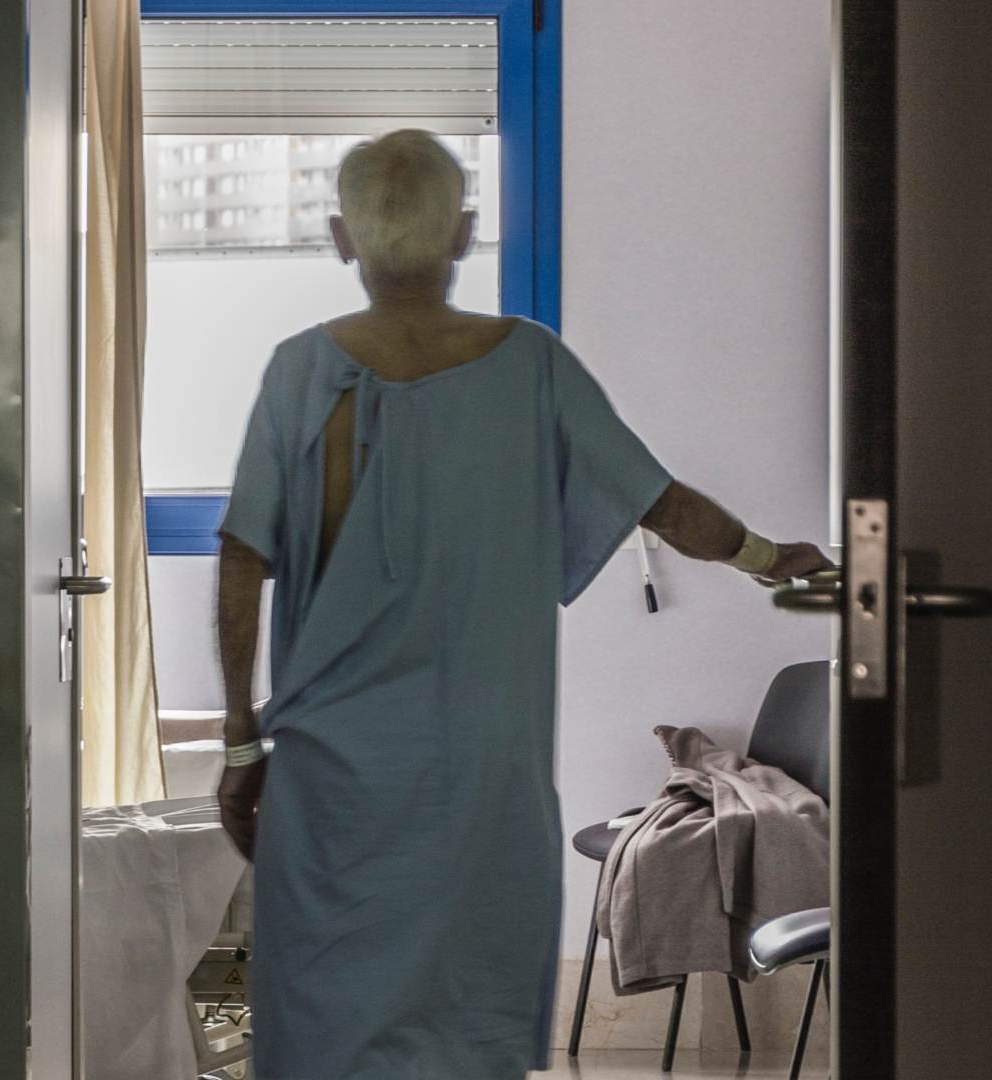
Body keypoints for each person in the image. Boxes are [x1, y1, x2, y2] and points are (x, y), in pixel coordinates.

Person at [214, 129, 831, 1080]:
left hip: (334, 770)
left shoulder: (301, 370)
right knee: (466, 1023)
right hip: (480, 773)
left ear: (342, 238)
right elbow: (662, 501)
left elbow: (242, 556)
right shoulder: (528, 363)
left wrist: (239, 741)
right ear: (464, 234)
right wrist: (763, 557)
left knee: (325, 1017)